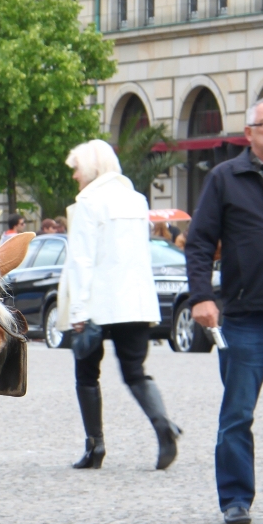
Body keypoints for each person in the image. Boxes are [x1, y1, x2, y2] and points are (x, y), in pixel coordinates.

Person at [185, 95, 263, 524]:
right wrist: (202, 296)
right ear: (249, 134)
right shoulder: (226, 178)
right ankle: (235, 498)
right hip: (246, 316)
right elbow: (200, 242)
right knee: (238, 413)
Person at [57, 139, 181, 472]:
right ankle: (163, 426)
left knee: (86, 374)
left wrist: (79, 312)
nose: (75, 176)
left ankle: (94, 448)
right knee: (136, 372)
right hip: (135, 302)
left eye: (77, 168)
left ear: (92, 168)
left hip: (98, 303)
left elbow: (82, 260)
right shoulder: (137, 200)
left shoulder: (88, 203)